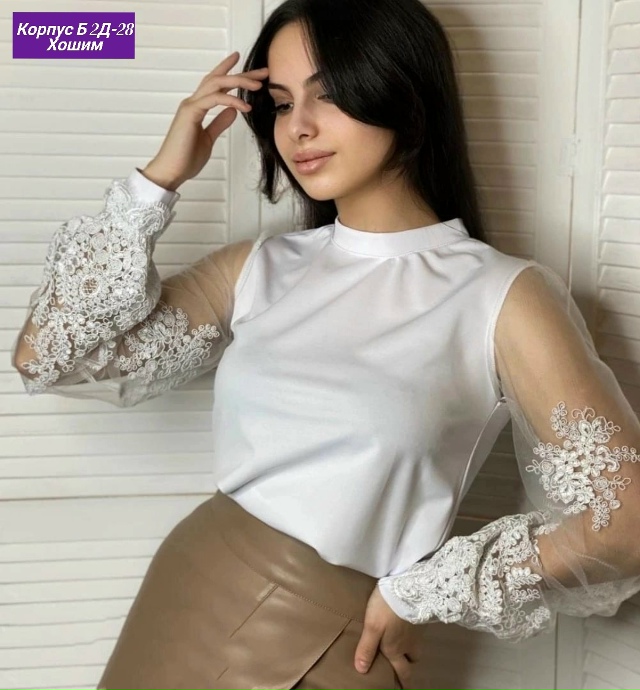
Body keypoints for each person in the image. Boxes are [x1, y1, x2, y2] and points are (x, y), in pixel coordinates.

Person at [10, 0, 640, 688]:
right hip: (189, 593)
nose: (298, 128)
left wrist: (420, 593)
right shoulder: (258, 269)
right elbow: (50, 357)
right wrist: (157, 180)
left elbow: (625, 521)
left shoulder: (504, 295)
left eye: (330, 95)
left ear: (402, 94)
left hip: (339, 638)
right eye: (281, 104)